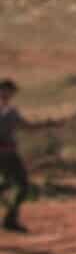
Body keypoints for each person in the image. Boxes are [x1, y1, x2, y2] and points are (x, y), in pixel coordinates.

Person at [0, 79, 30, 231]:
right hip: (4, 154)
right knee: (19, 184)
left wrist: (51, 124)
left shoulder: (12, 111)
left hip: (10, 154)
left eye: (12, 91)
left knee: (20, 185)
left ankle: (10, 219)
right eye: (7, 90)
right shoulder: (8, 111)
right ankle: (10, 219)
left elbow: (26, 126)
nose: (10, 94)